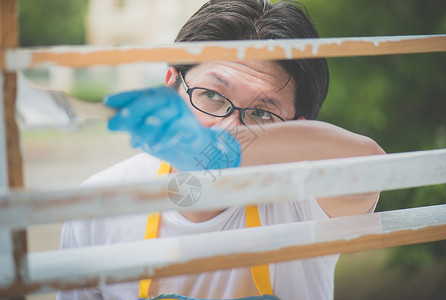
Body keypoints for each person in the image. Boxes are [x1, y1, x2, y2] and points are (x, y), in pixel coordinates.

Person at [57, 0, 385, 299]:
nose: (229, 127)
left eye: (261, 114)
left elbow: (371, 168)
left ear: (295, 126)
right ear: (172, 83)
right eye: (212, 96)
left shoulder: (302, 198)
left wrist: (229, 152)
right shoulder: (99, 206)